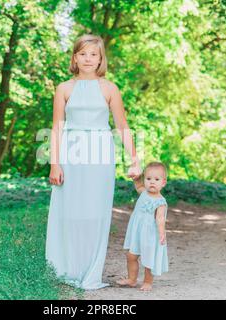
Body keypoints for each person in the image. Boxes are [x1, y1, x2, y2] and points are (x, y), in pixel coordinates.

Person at [45, 34, 142, 290]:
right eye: (83, 54)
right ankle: (66, 268)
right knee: (69, 211)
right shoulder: (63, 88)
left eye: (94, 55)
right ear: (74, 58)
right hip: (71, 153)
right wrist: (55, 163)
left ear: (101, 59)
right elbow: (56, 127)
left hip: (100, 153)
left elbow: (122, 126)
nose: (88, 59)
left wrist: (134, 159)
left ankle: (90, 272)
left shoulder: (110, 88)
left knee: (94, 212)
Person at [116, 161, 169, 291]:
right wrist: (136, 178)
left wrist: (162, 233)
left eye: (156, 179)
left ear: (163, 182)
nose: (152, 182)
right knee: (131, 256)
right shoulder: (144, 193)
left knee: (148, 258)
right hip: (137, 231)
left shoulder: (160, 202)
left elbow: (160, 218)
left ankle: (147, 282)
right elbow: (139, 186)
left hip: (150, 234)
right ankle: (132, 279)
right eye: (148, 178)